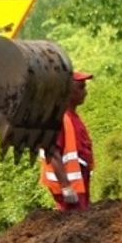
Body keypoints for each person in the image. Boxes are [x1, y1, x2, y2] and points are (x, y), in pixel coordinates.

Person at [40, 70, 94, 211]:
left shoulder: (71, 117)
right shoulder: (59, 119)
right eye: (81, 87)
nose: (85, 92)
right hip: (70, 186)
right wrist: (66, 186)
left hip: (79, 183)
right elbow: (51, 152)